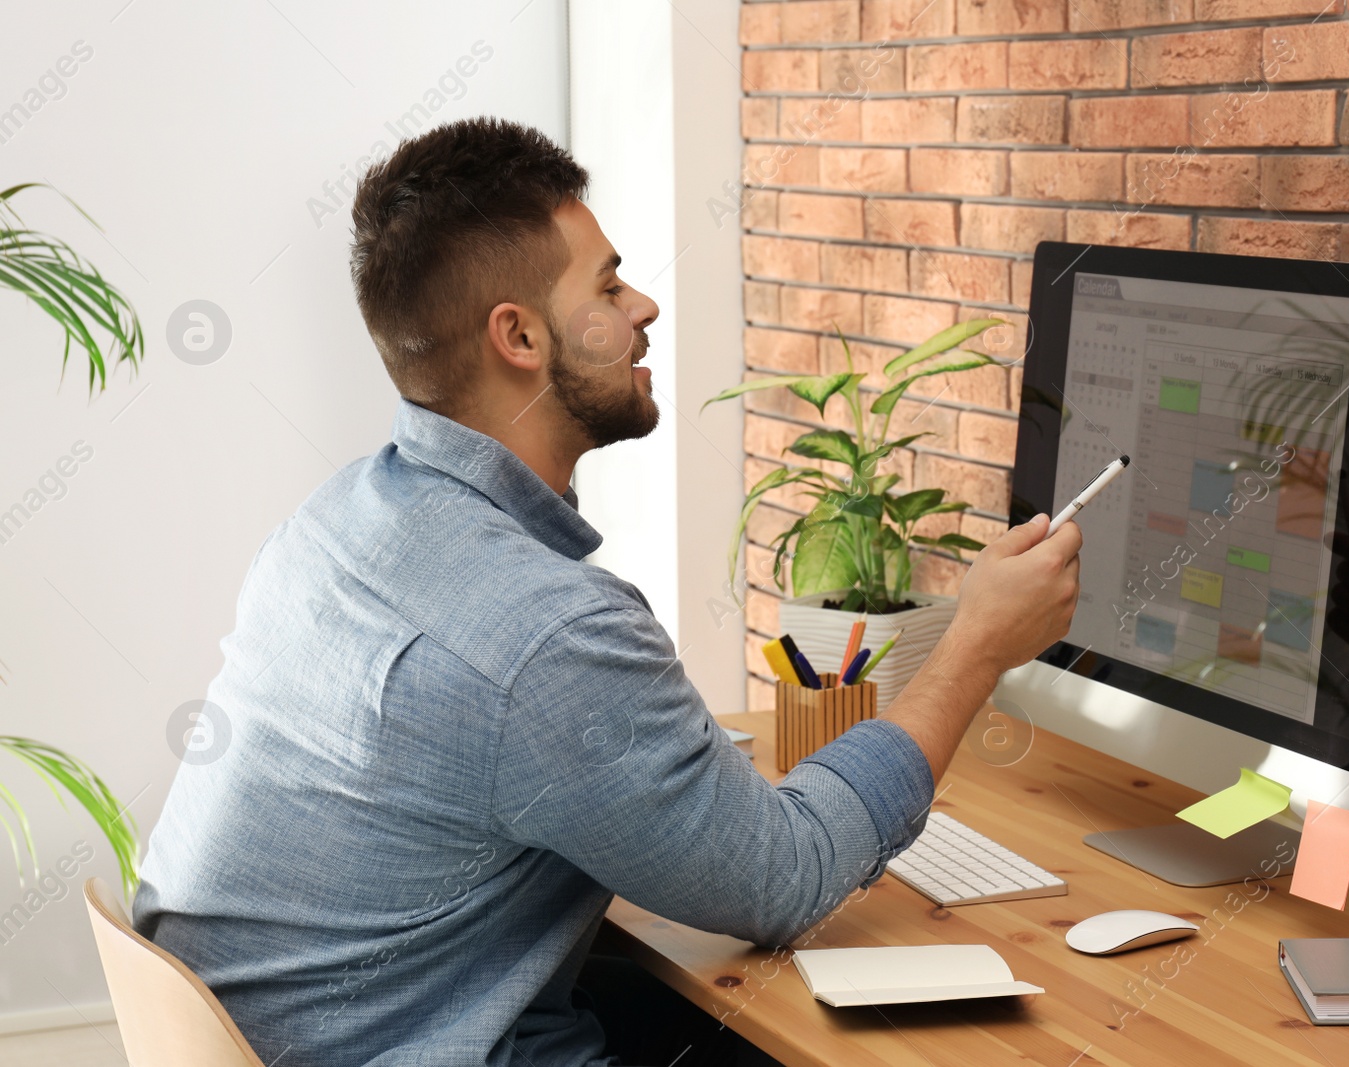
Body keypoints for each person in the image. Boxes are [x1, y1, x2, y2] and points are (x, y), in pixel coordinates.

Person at [133, 117, 1083, 1067]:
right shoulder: (548, 635)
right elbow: (784, 877)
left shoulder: (333, 524)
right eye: (608, 284)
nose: (645, 308)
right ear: (519, 335)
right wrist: (974, 648)